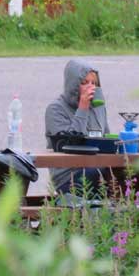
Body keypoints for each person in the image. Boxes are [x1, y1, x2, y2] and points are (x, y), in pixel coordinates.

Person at [45, 59, 111, 199]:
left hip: (96, 167)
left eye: (94, 83)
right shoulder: (55, 109)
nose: (91, 87)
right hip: (69, 176)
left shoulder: (98, 107)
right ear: (73, 84)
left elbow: (106, 140)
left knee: (131, 173)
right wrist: (83, 107)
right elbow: (70, 144)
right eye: (85, 82)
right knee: (98, 174)